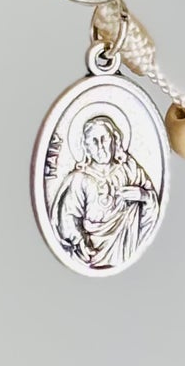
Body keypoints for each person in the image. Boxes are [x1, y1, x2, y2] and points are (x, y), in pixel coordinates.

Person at [46, 109, 160, 272]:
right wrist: (80, 241)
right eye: (94, 141)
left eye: (104, 139)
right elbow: (67, 216)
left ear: (115, 140)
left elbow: (152, 205)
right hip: (91, 253)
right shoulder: (79, 179)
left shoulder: (130, 170)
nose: (100, 146)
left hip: (125, 246)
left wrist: (143, 196)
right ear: (86, 147)